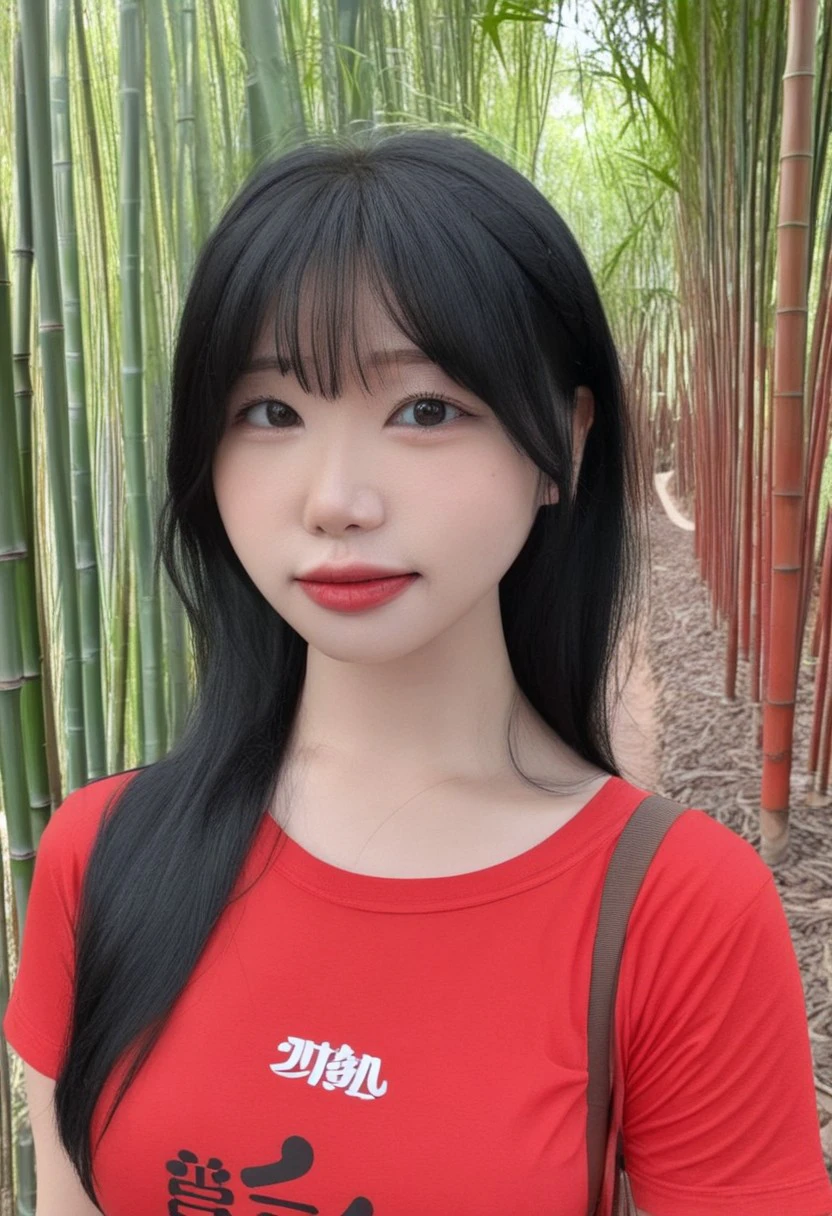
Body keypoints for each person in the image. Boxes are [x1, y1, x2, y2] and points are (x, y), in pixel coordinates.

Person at [4, 127, 831, 1216]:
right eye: (270, 412)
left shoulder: (677, 911)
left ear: (563, 449)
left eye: (425, 410)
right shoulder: (99, 856)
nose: (336, 496)